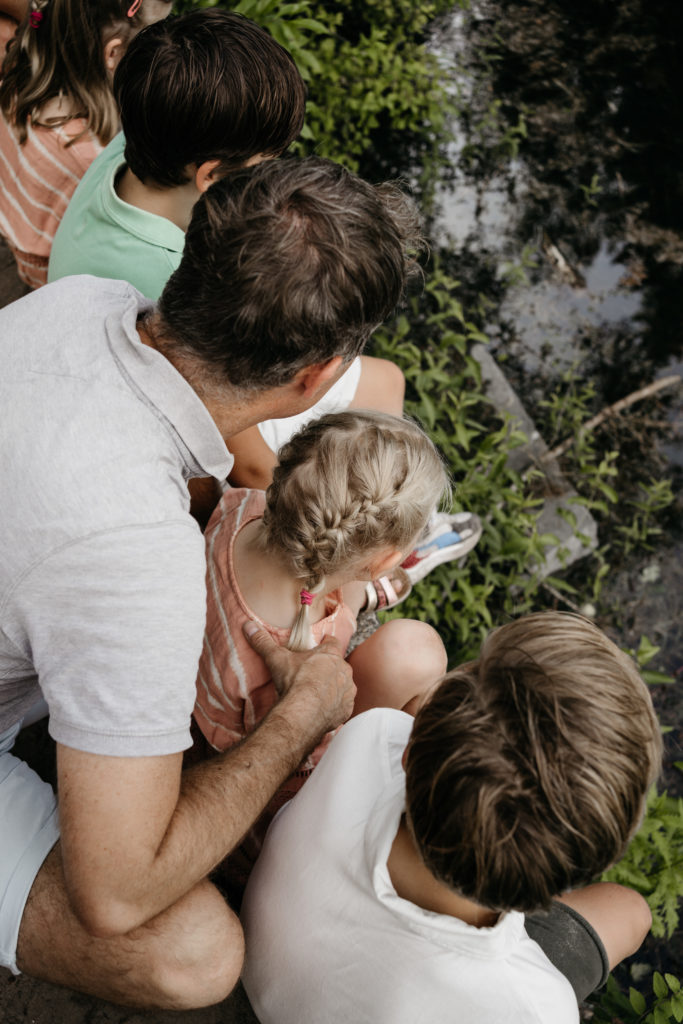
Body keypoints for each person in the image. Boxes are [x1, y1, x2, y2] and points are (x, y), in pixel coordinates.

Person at [0, 156, 420, 1008]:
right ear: (314, 379)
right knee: (194, 953)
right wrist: (302, 711)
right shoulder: (140, 561)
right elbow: (116, 895)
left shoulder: (85, 301)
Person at [241, 611, 662, 1024]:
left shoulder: (372, 737)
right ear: (540, 895)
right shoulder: (539, 1010)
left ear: (410, 752)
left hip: (268, 964)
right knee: (629, 913)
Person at [47, 9, 408, 490]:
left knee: (383, 382)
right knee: (384, 386)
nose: (276, 170)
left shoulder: (144, 138)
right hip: (148, 403)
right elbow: (247, 461)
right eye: (269, 161)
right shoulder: (161, 277)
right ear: (211, 175)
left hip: (104, 349)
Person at [195, 410, 451, 876]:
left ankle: (360, 594)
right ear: (385, 561)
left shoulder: (243, 506)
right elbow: (292, 763)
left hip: (225, 638)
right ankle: (361, 596)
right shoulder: (300, 653)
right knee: (419, 654)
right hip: (278, 783)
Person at [0, 0, 171, 288]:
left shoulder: (16, 80)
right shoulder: (91, 152)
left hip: (18, 227)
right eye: (152, 39)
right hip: (49, 269)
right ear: (113, 53)